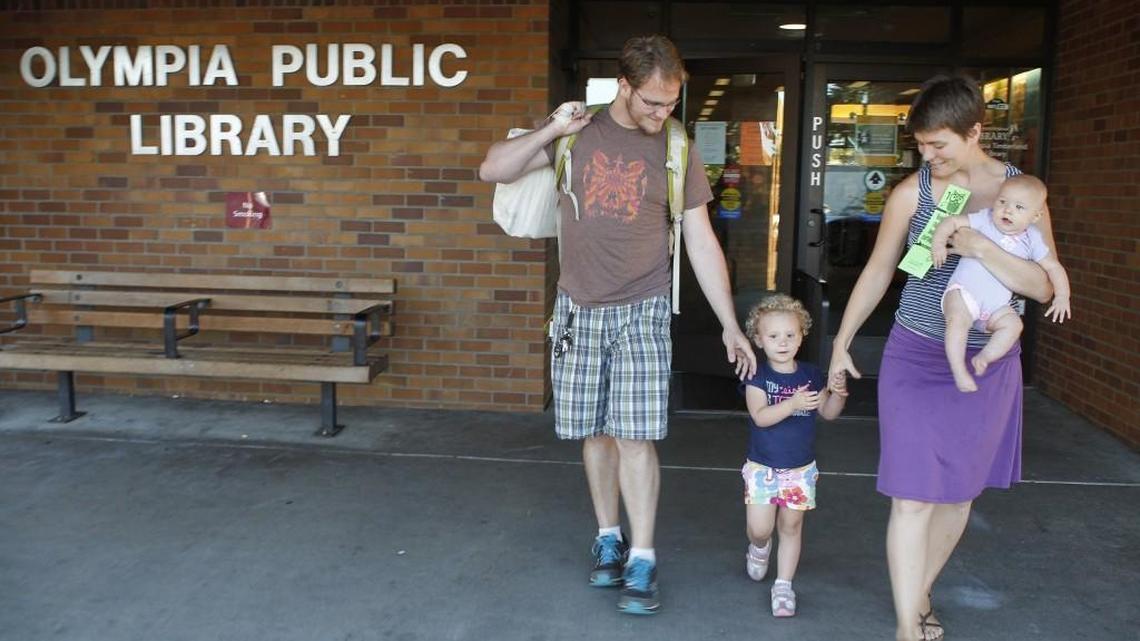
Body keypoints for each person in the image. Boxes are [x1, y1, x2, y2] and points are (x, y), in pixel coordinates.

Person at [478, 35, 756, 616]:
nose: (663, 113)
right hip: (577, 307)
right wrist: (552, 130)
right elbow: (492, 169)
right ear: (624, 87)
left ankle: (644, 556)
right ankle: (609, 536)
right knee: (596, 434)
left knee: (634, 435)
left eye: (671, 102)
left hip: (643, 308)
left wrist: (729, 324)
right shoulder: (576, 134)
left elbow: (701, 239)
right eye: (653, 102)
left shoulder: (676, 146)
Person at [827, 75, 1058, 641]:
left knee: (957, 497)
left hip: (986, 365)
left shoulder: (1021, 193)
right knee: (911, 496)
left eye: (939, 145)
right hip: (916, 353)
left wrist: (980, 247)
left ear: (974, 131)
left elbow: (1043, 286)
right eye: (921, 146)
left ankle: (920, 593)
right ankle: (908, 628)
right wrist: (840, 341)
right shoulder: (915, 193)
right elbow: (880, 269)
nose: (928, 156)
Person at [740, 294, 846, 618]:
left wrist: (838, 394)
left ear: (802, 336)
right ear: (759, 339)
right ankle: (759, 548)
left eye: (790, 335)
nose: (783, 342)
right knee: (761, 528)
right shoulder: (757, 375)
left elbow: (828, 412)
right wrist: (792, 404)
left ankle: (784, 585)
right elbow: (760, 417)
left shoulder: (811, 375)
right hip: (763, 467)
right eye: (773, 336)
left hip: (799, 469)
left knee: (791, 525)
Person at [930, 174, 1071, 392]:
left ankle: (985, 357)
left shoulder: (1033, 239)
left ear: (1035, 216)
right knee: (957, 321)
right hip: (963, 293)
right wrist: (938, 244)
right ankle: (959, 371)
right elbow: (952, 221)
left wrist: (1062, 296)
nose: (1007, 210)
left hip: (996, 306)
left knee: (1014, 325)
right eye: (1002, 202)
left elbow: (1053, 267)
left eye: (1019, 207)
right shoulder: (985, 219)